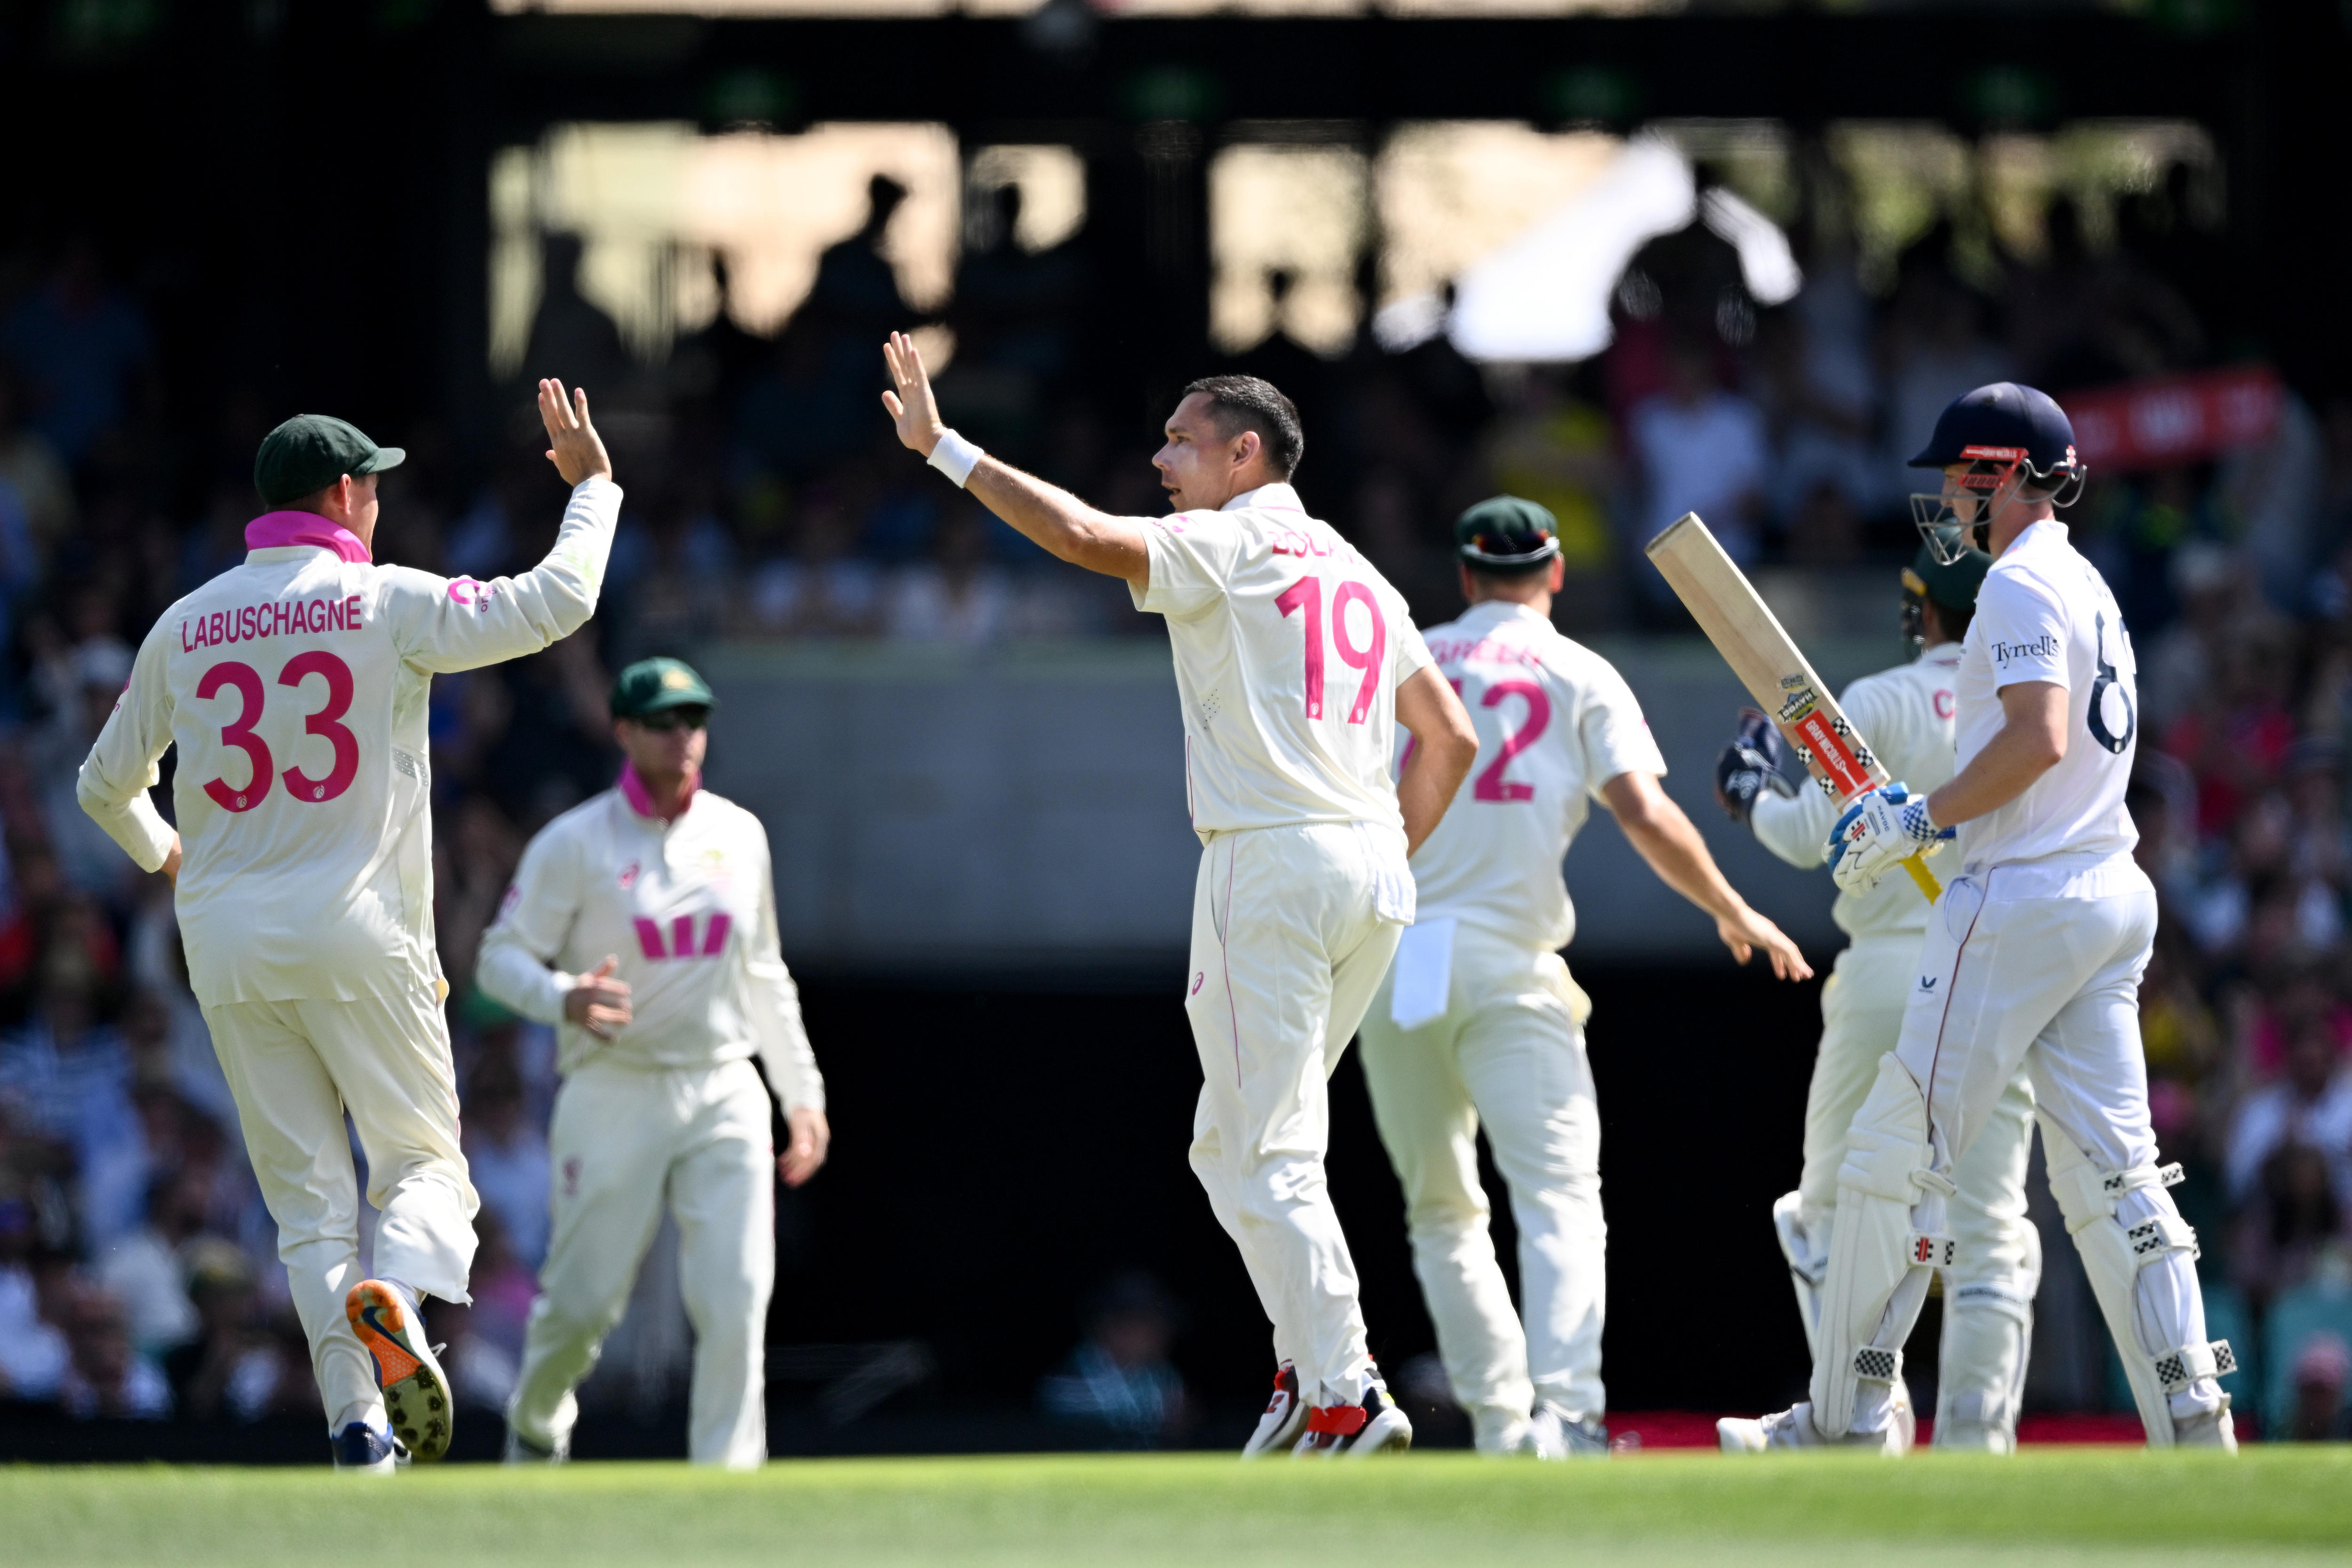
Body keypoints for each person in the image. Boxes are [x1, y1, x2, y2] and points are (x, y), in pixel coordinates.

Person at [880, 333, 1480, 1457]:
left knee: (1268, 1150)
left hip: (1271, 861)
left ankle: (1345, 1389)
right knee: (1232, 1143)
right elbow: (1449, 737)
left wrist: (945, 448)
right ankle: (1309, 1375)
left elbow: (1080, 537)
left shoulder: (1231, 542)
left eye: (1180, 440)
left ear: (1244, 453)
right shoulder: (1356, 565)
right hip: (1371, 870)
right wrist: (1377, 847)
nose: (1160, 457)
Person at [74, 383, 620, 1472]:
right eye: (372, 485)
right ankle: (405, 1300)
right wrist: (595, 487)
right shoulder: (383, 601)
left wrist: (174, 855)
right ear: (343, 493)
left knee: (307, 1204)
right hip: (359, 928)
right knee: (424, 1165)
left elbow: (102, 788)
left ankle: (357, 1427)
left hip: (224, 945)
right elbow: (557, 601)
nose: (378, 503)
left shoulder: (186, 622)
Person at [1721, 382, 2237, 1453]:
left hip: (2019, 895)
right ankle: (2194, 1417)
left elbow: (2036, 737)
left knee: (1892, 1154)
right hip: (2104, 889)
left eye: (1958, 475)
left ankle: (1842, 1416)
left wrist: (1919, 815)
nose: (1947, 497)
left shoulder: (2012, 582)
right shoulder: (2090, 583)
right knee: (2116, 1178)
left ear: (2001, 472)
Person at [1356, 497, 1811, 1460]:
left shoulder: (1408, 652)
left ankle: (1498, 1419)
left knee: (1440, 1205)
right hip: (1509, 957)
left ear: (1466, 574)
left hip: (1404, 957)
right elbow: (1642, 811)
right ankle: (1565, 1414)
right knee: (1557, 1194)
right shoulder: (1577, 669)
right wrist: (1731, 906)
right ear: (1554, 573)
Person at [1715, 539, 2043, 1452]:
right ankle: (1978, 1438)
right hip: (1995, 968)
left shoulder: (1882, 699)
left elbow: (1810, 836)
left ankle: (1862, 1413)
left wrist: (1751, 795)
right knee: (1985, 1224)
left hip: (1888, 969)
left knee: (1827, 1213)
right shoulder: (2028, 712)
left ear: (1917, 611)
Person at [478, 655, 829, 1469]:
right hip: (614, 1086)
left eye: (694, 720)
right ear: (624, 731)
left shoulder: (740, 835)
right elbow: (499, 959)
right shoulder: (575, 843)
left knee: (736, 1295)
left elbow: (765, 972)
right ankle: (536, 1420)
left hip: (721, 1081)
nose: (684, 737)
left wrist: (801, 1094)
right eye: (665, 722)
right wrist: (564, 995)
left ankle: (726, 1486)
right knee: (585, 1304)